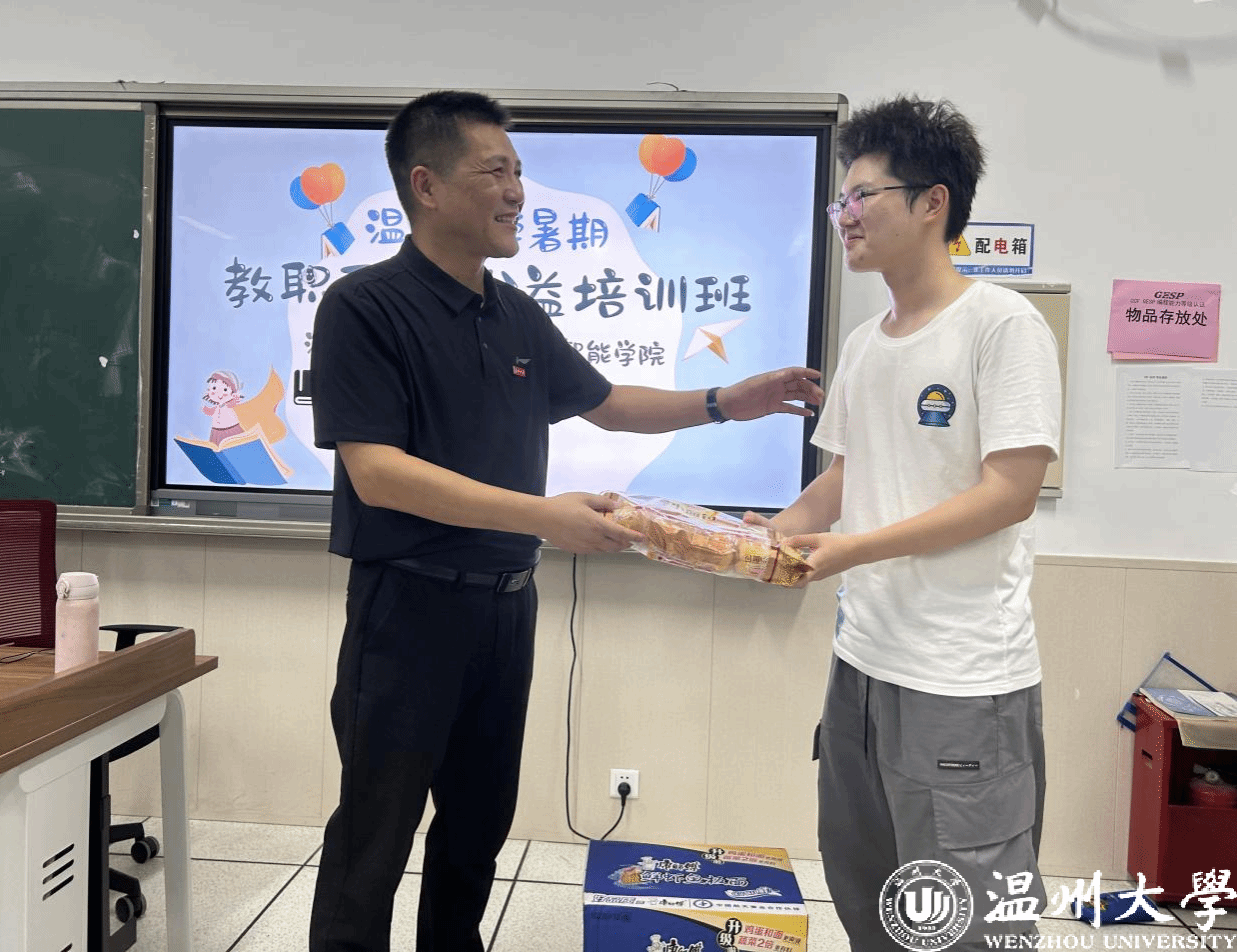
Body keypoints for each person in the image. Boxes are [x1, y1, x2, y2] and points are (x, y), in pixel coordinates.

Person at [307, 89, 823, 952]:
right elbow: (378, 473)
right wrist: (543, 517)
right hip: (407, 609)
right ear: (426, 186)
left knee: (477, 825)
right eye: (495, 172)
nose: (517, 191)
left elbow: (608, 403)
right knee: (375, 832)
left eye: (519, 171)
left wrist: (726, 400)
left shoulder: (511, 310)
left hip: (507, 607)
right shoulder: (365, 307)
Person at [749, 95, 1062, 950]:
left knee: (961, 916)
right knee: (866, 888)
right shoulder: (865, 342)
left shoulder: (1002, 326)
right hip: (861, 664)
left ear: (934, 203)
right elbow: (847, 477)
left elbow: (1011, 493)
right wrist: (762, 539)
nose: (845, 215)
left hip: (960, 679)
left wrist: (854, 550)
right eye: (840, 200)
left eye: (863, 195)